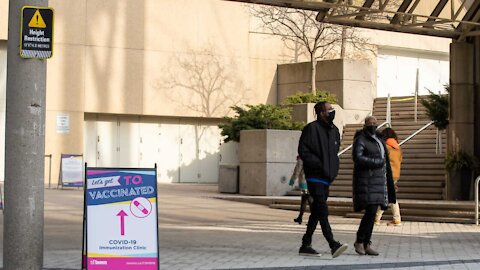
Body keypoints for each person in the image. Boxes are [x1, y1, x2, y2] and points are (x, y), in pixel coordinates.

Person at [297, 101, 348, 258]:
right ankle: (333, 244)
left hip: (327, 177)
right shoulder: (311, 129)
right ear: (321, 113)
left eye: (332, 109)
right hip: (315, 176)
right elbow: (303, 151)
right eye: (329, 109)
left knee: (316, 211)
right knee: (322, 209)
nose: (332, 111)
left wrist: (332, 169)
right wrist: (318, 164)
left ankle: (306, 244)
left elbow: (334, 152)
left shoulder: (335, 131)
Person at [352, 116, 396, 256]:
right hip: (367, 181)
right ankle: (360, 241)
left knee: (373, 214)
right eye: (370, 123)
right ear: (365, 125)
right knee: (370, 212)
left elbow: (386, 163)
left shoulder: (379, 140)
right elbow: (357, 157)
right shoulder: (361, 139)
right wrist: (376, 162)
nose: (373, 125)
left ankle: (366, 243)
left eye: (375, 123)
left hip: (379, 182)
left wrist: (389, 182)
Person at [375, 127, 403, 226]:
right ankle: (396, 219)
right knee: (390, 197)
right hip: (395, 175)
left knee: (384, 197)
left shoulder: (385, 147)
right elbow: (400, 161)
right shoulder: (398, 148)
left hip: (386, 174)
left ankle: (376, 218)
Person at [288, 156, 312, 224]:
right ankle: (300, 217)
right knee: (305, 198)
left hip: (304, 183)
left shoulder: (302, 158)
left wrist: (292, 180)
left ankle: (312, 219)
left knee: (308, 199)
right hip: (311, 181)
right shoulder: (312, 156)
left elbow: (297, 170)